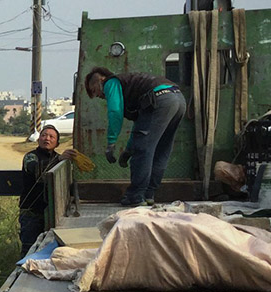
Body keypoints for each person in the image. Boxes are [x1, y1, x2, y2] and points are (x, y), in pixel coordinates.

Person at [84, 66, 186, 207]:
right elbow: (141, 125)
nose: (98, 96)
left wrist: (111, 142)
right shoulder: (135, 88)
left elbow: (115, 112)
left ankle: (135, 195)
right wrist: (128, 150)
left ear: (100, 80)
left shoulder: (111, 83)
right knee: (161, 149)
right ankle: (148, 194)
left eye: (94, 90)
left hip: (160, 99)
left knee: (143, 151)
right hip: (178, 99)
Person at [18, 124, 76, 256]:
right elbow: (37, 173)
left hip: (52, 213)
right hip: (32, 213)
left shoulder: (58, 158)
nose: (47, 139)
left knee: (50, 250)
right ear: (38, 140)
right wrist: (59, 160)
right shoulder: (31, 157)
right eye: (43, 135)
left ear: (57, 143)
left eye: (51, 136)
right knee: (29, 249)